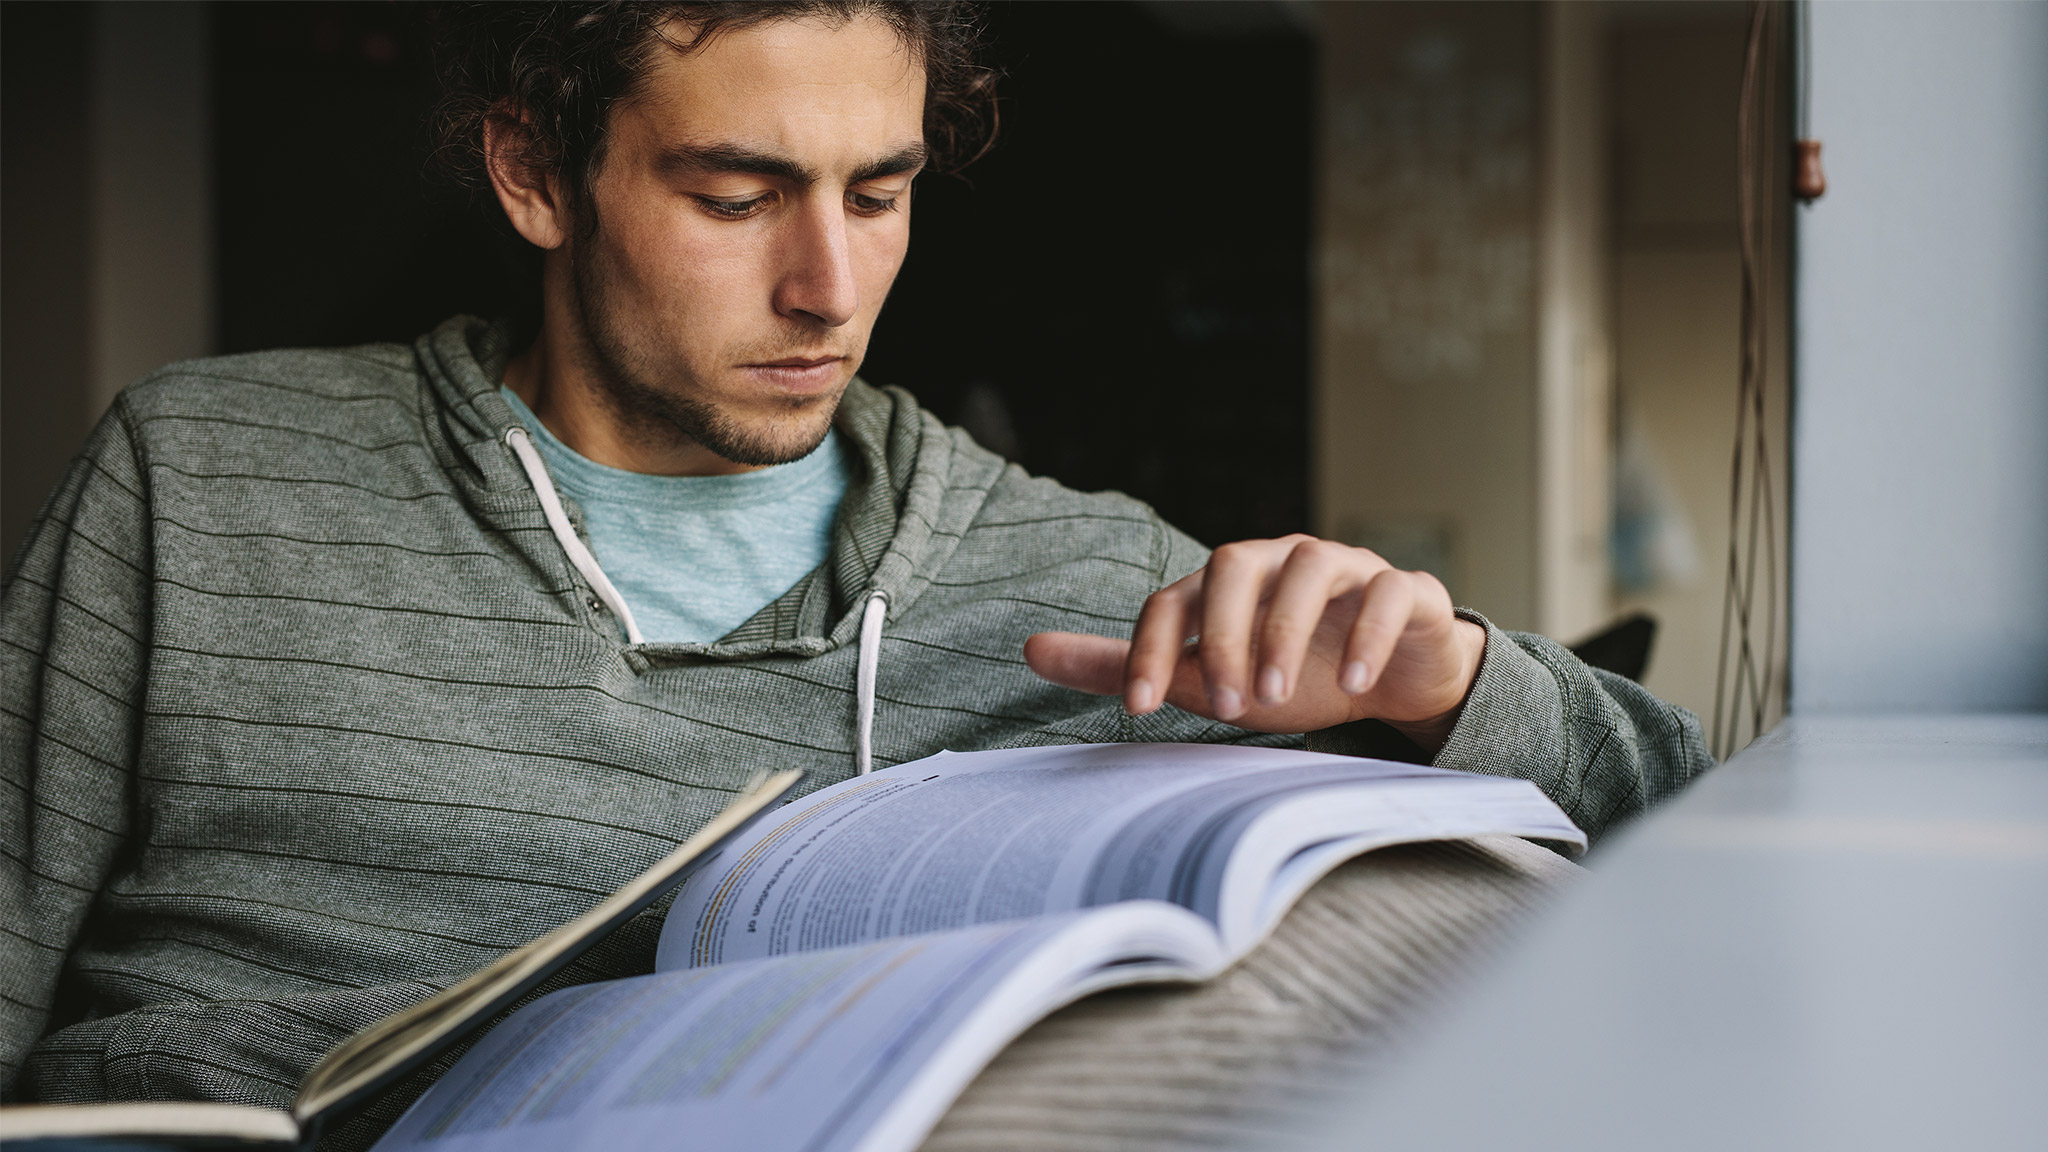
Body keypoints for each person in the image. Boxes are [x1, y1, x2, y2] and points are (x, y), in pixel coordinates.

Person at [0, 1, 1711, 1140]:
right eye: (737, 197)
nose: (831, 285)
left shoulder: (1084, 579)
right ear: (535, 173)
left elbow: (1677, 806)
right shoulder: (205, 473)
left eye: (878, 194)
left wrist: (1454, 683)